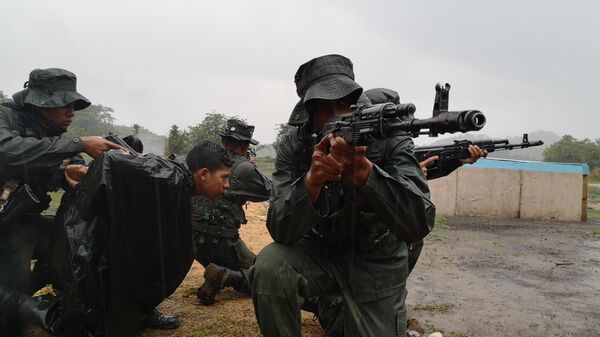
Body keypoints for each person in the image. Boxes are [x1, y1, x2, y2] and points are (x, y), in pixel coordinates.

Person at [250, 54, 435, 337]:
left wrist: (364, 173)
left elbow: (418, 222)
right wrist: (312, 181)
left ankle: (340, 316)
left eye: (345, 103)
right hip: (322, 254)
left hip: (378, 261)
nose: (338, 114)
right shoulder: (294, 146)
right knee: (272, 265)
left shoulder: (391, 137)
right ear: (310, 116)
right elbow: (280, 230)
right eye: (324, 107)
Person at [0, 68, 125, 336]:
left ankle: (38, 283)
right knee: (10, 325)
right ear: (40, 102)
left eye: (72, 105)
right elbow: (8, 151)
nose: (71, 112)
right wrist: (77, 144)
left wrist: (72, 170)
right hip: (7, 229)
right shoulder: (5, 117)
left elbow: (63, 158)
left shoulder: (49, 130)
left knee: (76, 247)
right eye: (64, 104)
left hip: (19, 224)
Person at [364, 87, 487, 274]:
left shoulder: (395, 146)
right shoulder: (353, 145)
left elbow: (422, 168)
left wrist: (456, 159)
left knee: (412, 238)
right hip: (356, 230)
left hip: (380, 225)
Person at [194, 119, 271, 305]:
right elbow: (270, 192)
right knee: (268, 277)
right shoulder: (243, 168)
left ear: (223, 142)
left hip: (192, 243)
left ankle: (218, 274)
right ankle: (226, 276)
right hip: (221, 242)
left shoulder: (201, 161)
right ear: (245, 146)